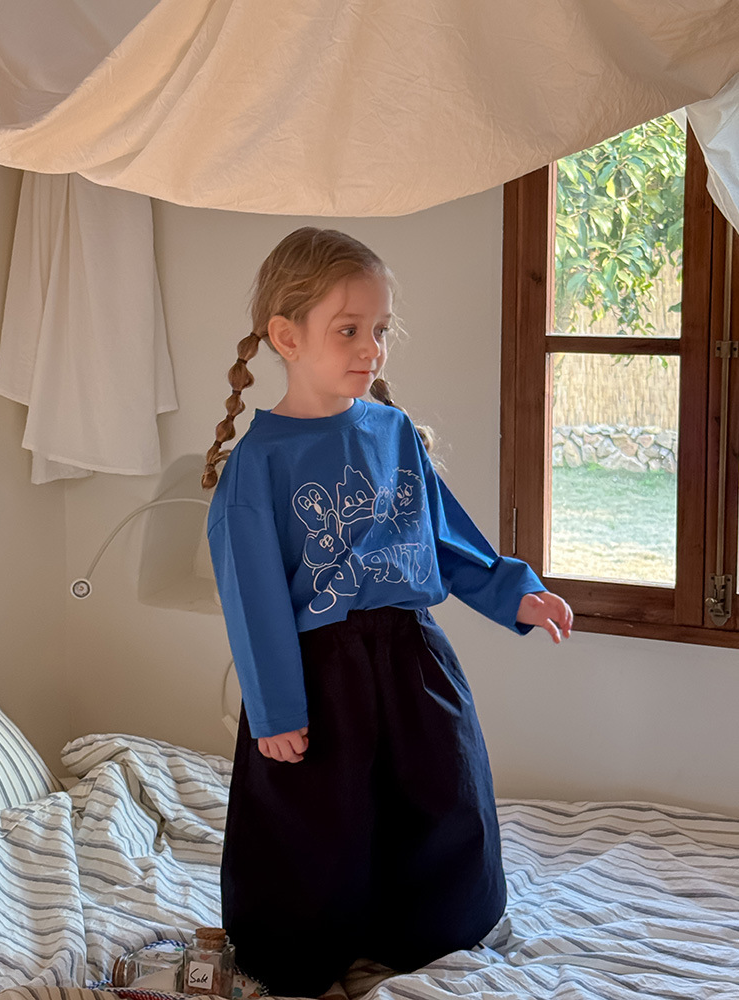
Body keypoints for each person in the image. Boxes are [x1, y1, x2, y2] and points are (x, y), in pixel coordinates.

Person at [204, 226, 573, 998]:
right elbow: (253, 597)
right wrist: (275, 711)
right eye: (349, 329)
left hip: (414, 659)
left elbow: (440, 536)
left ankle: (434, 929)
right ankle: (305, 943)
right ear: (287, 337)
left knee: (440, 794)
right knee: (317, 816)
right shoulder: (260, 463)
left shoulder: (393, 431)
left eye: (380, 329)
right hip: (318, 673)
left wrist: (514, 591)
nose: (371, 348)